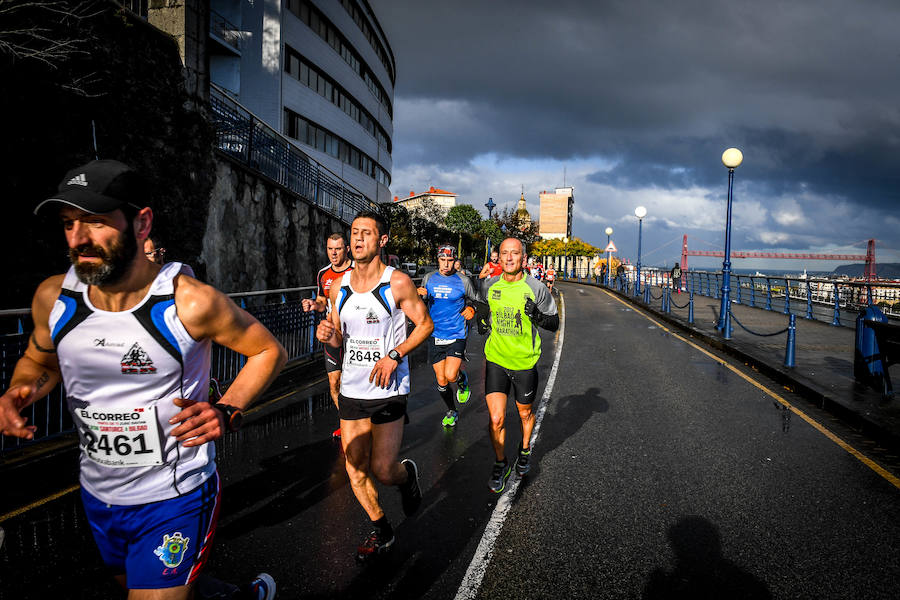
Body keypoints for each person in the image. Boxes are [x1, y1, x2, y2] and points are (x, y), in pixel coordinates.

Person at [0, 159, 287, 599]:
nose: (78, 239)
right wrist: (21, 391)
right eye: (68, 224)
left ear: (141, 222)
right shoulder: (54, 297)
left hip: (175, 496)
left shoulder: (188, 303)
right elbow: (40, 362)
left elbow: (268, 350)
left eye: (94, 222)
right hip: (99, 495)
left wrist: (227, 408)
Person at [316, 210, 433, 561]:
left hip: (388, 388)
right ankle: (382, 531)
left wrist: (395, 354)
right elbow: (338, 336)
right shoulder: (339, 286)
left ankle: (406, 475)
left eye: (366, 233)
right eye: (354, 232)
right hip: (352, 390)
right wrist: (329, 335)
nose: (357, 239)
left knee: (383, 470)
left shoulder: (396, 282)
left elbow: (424, 325)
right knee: (355, 469)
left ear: (381, 240)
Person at [479, 238, 559, 493]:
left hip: (525, 363)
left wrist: (536, 315)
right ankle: (501, 462)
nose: (510, 258)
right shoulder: (490, 284)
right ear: (499, 258)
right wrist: (481, 322)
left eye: (515, 254)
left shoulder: (536, 288)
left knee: (525, 413)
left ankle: (524, 450)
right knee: (496, 418)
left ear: (523, 259)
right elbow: (483, 309)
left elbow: (553, 323)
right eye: (505, 253)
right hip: (496, 360)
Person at [417, 245, 478, 428]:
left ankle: (462, 380)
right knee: (441, 381)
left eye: (450, 260)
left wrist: (471, 308)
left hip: (456, 333)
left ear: (455, 261)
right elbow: (420, 305)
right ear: (438, 260)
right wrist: (419, 297)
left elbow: (476, 300)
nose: (446, 264)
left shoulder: (463, 280)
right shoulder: (428, 278)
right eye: (442, 260)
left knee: (451, 375)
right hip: (435, 334)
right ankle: (452, 410)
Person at [302, 233, 353, 439]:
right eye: (330, 249)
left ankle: (365, 423)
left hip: (354, 334)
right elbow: (322, 300)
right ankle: (347, 424)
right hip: (333, 334)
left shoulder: (356, 270)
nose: (333, 253)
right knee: (335, 382)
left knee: (357, 382)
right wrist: (315, 305)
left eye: (338, 249)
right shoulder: (323, 274)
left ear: (346, 249)